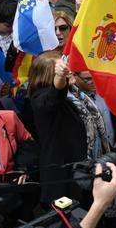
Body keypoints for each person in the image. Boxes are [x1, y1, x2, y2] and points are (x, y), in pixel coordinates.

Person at [27, 51, 92, 204]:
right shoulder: (40, 98)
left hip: (81, 165)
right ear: (48, 75)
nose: (67, 70)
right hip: (63, 172)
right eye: (60, 69)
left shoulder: (74, 93)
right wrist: (59, 78)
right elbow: (54, 97)